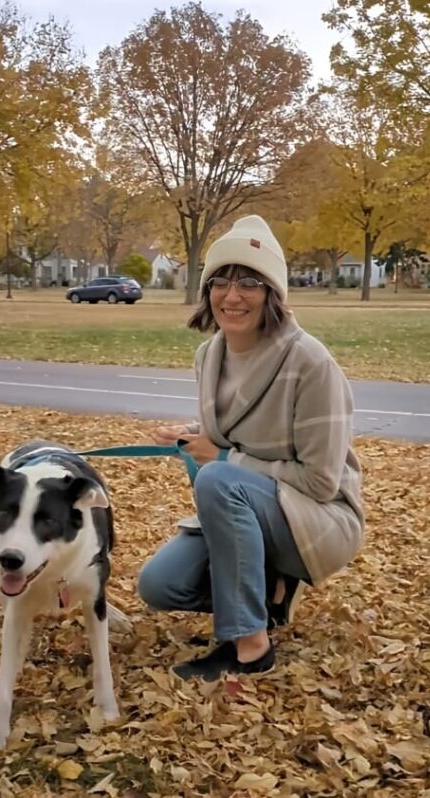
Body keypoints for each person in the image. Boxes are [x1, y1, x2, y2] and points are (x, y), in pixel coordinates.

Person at [136, 214, 365, 681]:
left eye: (249, 282)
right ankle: (269, 589)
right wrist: (195, 434)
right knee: (160, 585)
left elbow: (321, 481)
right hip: (248, 508)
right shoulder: (209, 355)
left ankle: (250, 645)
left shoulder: (311, 362)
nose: (232, 295)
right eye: (220, 281)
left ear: (272, 293)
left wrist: (221, 459)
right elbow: (241, 429)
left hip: (319, 520)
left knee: (219, 477)